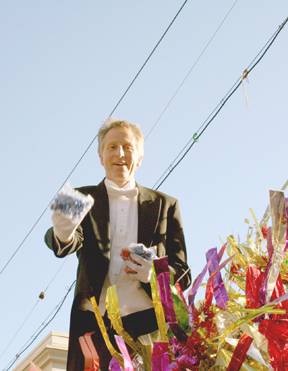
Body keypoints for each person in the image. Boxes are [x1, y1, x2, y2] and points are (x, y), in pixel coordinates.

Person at [45, 118, 191, 371]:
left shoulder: (166, 204)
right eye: (111, 147)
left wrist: (155, 273)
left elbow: (183, 271)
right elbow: (63, 242)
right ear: (101, 157)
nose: (119, 153)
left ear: (140, 157)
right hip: (93, 325)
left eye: (127, 147)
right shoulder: (80, 197)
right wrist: (63, 232)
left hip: (150, 324)